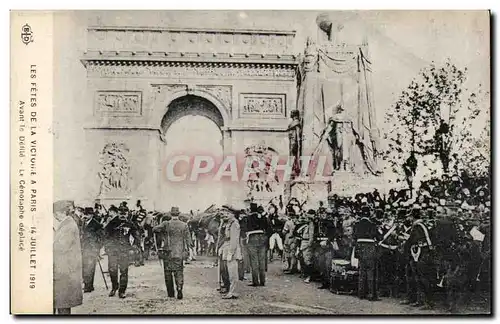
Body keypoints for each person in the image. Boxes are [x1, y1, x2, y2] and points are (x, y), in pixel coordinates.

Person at [153, 207, 192, 299]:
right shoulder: (184, 225)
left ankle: (170, 293)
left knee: (168, 272)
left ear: (171, 214)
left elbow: (154, 229)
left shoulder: (166, 224)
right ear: (179, 214)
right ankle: (179, 288)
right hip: (179, 252)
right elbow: (189, 240)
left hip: (168, 252)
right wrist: (187, 251)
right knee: (179, 271)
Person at [103, 205, 141, 299]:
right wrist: (107, 247)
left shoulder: (130, 224)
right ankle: (114, 287)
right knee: (112, 270)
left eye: (125, 214)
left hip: (124, 251)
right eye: (121, 214)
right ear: (118, 213)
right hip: (113, 251)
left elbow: (137, 236)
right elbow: (105, 236)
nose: (123, 215)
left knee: (124, 271)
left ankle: (122, 290)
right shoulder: (112, 223)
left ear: (127, 214)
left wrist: (135, 246)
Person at [53, 200, 83, 314]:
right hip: (63, 271)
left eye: (55, 214)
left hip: (64, 272)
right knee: (61, 303)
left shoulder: (69, 226)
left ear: (61, 213)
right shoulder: (66, 224)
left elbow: (61, 247)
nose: (55, 217)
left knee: (63, 305)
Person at [353, 206, 380, 301]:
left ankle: (361, 293)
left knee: (362, 271)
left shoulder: (357, 224)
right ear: (369, 214)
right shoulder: (372, 225)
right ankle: (371, 294)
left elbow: (354, 236)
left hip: (360, 248)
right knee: (370, 272)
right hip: (370, 248)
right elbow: (378, 236)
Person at [220, 205, 242, 299]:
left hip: (231, 249)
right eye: (225, 213)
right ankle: (231, 291)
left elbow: (234, 239)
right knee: (229, 271)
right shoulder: (228, 223)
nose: (226, 214)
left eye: (228, 213)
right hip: (227, 247)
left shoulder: (234, 224)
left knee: (233, 272)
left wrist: (231, 252)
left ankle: (233, 292)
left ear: (232, 214)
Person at [246, 203, 270, 287]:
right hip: (262, 238)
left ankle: (255, 281)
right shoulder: (263, 217)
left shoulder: (248, 217)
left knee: (254, 260)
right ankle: (262, 281)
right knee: (262, 260)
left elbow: (246, 228)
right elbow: (268, 227)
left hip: (252, 238)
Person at [81, 207, 103, 293]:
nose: (85, 216)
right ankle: (88, 284)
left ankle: (88, 286)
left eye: (88, 214)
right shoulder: (83, 223)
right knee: (84, 267)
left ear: (92, 215)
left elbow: (101, 238)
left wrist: (97, 248)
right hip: (84, 249)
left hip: (92, 249)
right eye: (85, 214)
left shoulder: (96, 224)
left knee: (90, 267)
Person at [300, 209, 316, 283]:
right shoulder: (307, 224)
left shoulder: (311, 224)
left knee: (308, 260)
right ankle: (306, 275)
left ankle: (309, 276)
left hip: (307, 242)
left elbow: (311, 235)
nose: (305, 218)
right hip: (304, 242)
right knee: (305, 259)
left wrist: (310, 244)